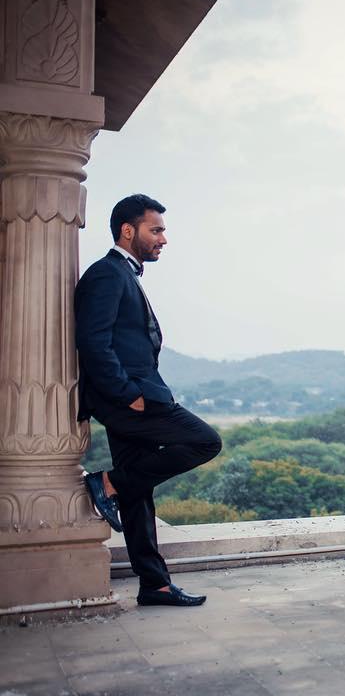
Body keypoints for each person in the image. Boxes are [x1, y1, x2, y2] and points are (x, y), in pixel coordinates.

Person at [75, 194, 221, 607]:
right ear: (128, 230)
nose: (163, 239)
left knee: (138, 488)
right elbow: (93, 343)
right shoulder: (108, 274)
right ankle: (107, 483)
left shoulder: (124, 274)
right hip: (130, 400)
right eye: (155, 229)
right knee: (204, 440)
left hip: (132, 397)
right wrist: (129, 396)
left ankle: (153, 584)